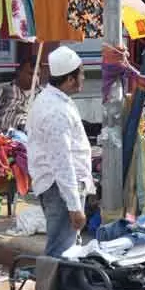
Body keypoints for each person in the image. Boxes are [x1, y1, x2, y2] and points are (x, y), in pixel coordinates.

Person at [27, 46, 93, 258]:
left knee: (65, 252)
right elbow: (61, 162)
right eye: (81, 74)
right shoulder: (56, 110)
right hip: (60, 189)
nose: (84, 78)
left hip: (59, 187)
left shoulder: (52, 100)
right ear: (71, 79)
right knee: (61, 254)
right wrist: (74, 206)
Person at [0, 56, 40, 132]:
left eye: (37, 74)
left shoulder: (42, 94)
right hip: (3, 135)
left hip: (28, 136)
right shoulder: (5, 89)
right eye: (30, 74)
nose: (34, 78)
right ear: (20, 72)